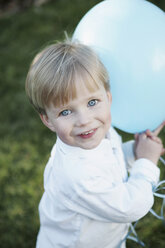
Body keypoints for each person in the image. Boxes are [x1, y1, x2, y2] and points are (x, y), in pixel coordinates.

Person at [25, 40, 165, 248]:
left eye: (92, 102)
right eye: (66, 111)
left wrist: (134, 152)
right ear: (48, 120)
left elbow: (108, 159)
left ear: (108, 98)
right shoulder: (76, 175)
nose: (84, 120)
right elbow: (129, 206)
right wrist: (146, 162)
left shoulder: (102, 132)